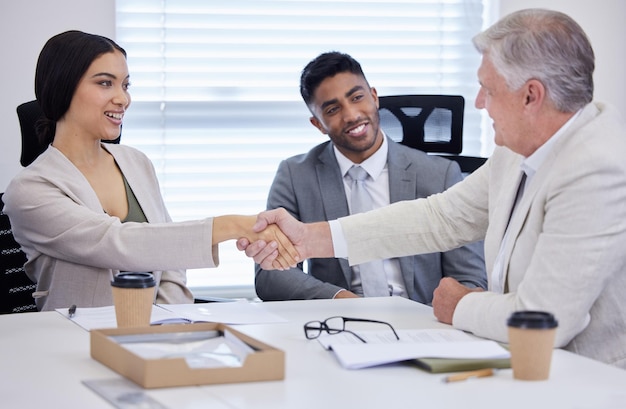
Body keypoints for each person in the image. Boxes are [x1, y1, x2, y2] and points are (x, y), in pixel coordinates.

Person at [240, 9, 626, 369]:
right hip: (527, 366)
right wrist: (308, 239)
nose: (478, 103)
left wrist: (460, 305)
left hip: (588, 377)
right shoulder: (517, 151)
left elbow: (547, 321)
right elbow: (440, 217)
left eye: (487, 89)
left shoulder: (597, 167)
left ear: (531, 95)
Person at [2, 30, 296, 311]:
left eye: (125, 85)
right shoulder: (30, 190)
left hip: (156, 336)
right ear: (62, 86)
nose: (123, 99)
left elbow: (170, 260)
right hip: (76, 342)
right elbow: (118, 244)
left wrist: (166, 322)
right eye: (105, 83)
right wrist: (232, 226)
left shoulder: (136, 162)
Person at [254, 51, 486, 302]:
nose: (352, 115)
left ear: (374, 97)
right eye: (333, 109)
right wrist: (340, 299)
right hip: (339, 320)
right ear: (318, 124)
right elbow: (271, 274)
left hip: (421, 320)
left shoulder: (440, 174)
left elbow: (470, 279)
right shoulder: (295, 175)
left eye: (357, 97)